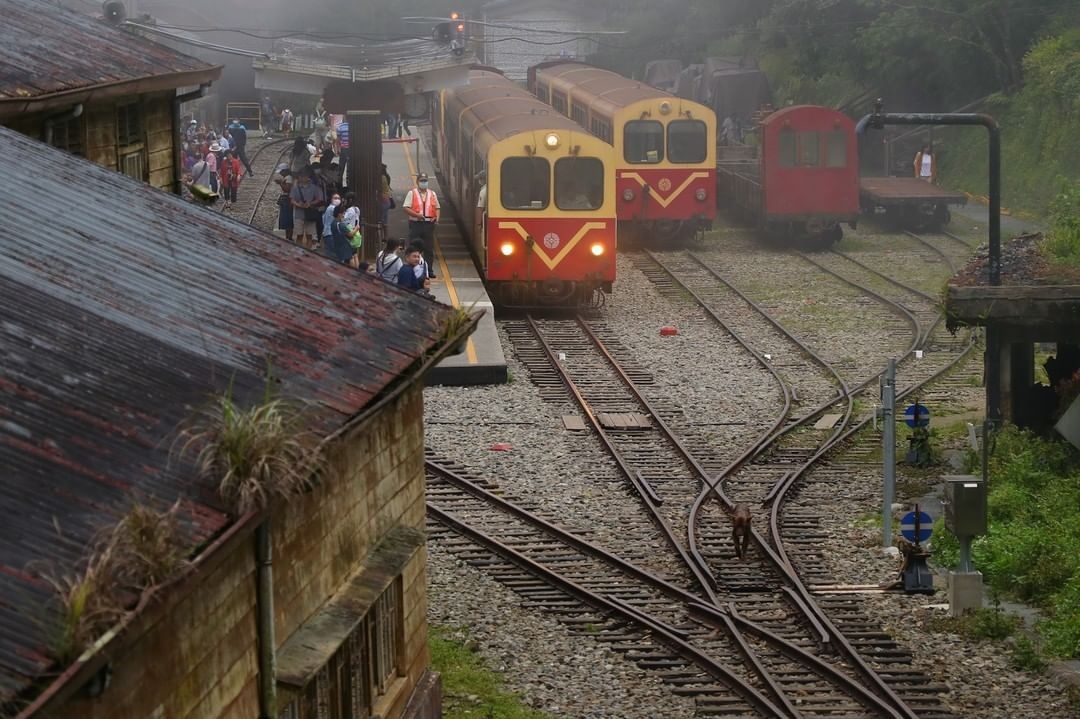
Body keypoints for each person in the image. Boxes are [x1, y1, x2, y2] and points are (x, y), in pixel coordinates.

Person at [403, 173, 439, 277]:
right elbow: (406, 208)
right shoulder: (412, 193)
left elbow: (437, 208)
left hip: (428, 224)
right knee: (414, 247)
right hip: (416, 224)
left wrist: (436, 218)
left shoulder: (432, 194)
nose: (424, 182)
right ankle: (412, 268)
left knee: (429, 248)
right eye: (422, 180)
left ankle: (429, 270)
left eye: (425, 180)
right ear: (418, 181)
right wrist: (417, 215)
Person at [290, 171, 323, 249]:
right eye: (301, 176)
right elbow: (292, 200)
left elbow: (318, 199)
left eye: (305, 176)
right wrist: (299, 205)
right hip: (299, 214)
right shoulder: (295, 188)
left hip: (310, 214)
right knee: (299, 235)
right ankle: (298, 251)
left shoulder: (314, 187)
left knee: (309, 235)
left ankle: (308, 251)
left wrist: (310, 203)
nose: (303, 178)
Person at [277, 173, 294, 242]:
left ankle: (289, 237)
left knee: (288, 219)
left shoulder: (289, 177)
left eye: (282, 171)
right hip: (286, 200)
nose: (281, 173)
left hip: (287, 201)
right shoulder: (287, 177)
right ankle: (288, 237)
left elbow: (287, 189)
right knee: (287, 220)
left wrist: (280, 183)